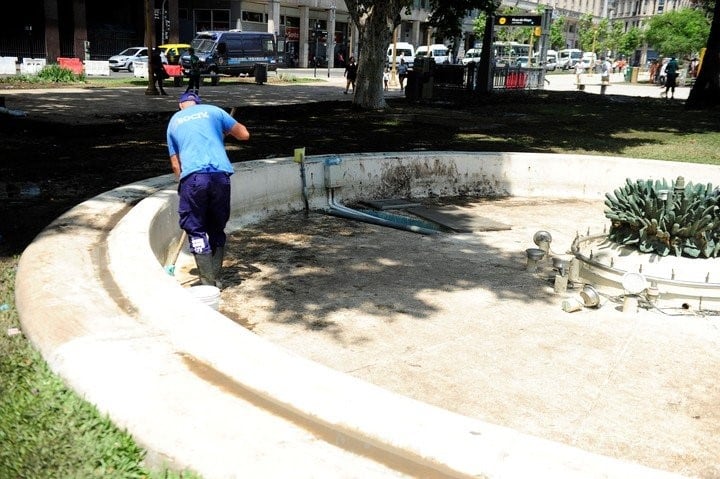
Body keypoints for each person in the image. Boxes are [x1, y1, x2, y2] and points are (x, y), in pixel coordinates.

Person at [166, 92, 250, 287]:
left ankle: (207, 282)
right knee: (216, 227)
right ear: (197, 103)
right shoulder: (214, 111)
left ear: (181, 106)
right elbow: (244, 134)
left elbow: (175, 165)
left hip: (194, 179)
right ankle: (216, 278)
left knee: (196, 229)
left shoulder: (174, 121)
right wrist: (226, 131)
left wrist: (183, 185)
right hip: (220, 176)